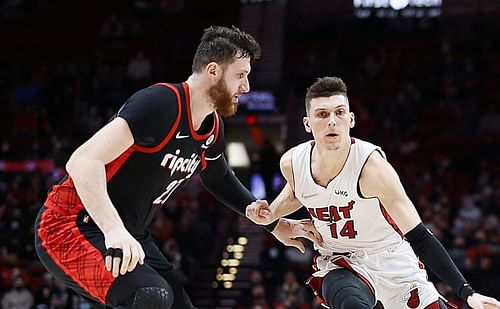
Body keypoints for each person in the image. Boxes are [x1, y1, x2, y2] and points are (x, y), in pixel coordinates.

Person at [34, 25, 321, 309]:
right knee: (150, 295)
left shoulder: (211, 127)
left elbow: (218, 176)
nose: (246, 87)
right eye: (240, 76)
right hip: (70, 225)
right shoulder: (162, 103)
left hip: (129, 233)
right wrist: (114, 231)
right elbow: (83, 161)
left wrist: (272, 223)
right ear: (213, 71)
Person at [246, 77, 500, 309]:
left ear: (351, 120)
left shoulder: (372, 169)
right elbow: (296, 193)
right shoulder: (292, 162)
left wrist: (466, 292)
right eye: (322, 114)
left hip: (392, 259)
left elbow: (421, 237)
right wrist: (272, 216)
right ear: (307, 123)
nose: (332, 121)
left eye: (339, 112)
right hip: (341, 262)